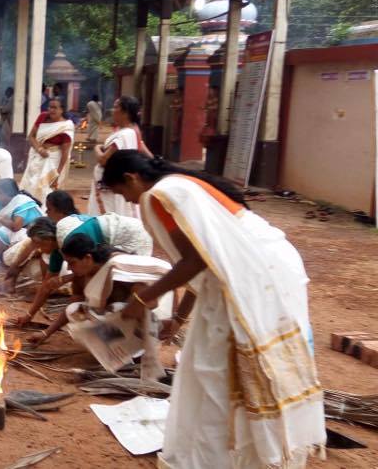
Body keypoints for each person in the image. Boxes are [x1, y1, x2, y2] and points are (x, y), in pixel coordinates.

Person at [101, 150, 323, 468]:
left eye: (124, 193)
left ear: (130, 178)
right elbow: (205, 264)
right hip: (270, 269)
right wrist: (178, 319)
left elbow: (195, 262)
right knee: (226, 367)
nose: (132, 203)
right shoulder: (184, 184)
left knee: (216, 372)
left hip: (250, 275)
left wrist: (141, 300)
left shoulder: (161, 194)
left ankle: (226, 458)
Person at [26, 233, 173, 380]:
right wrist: (46, 333)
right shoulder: (81, 275)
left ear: (88, 258)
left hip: (149, 321)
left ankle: (134, 356)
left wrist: (136, 311)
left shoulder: (115, 268)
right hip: (120, 321)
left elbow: (148, 298)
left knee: (116, 308)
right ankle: (117, 355)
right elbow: (73, 305)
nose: (70, 268)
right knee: (75, 311)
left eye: (72, 263)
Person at [14, 209, 155, 328]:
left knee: (126, 287)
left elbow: (91, 269)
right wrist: (29, 315)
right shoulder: (58, 247)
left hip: (132, 237)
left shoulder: (70, 241)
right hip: (112, 243)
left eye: (38, 243)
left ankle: (135, 331)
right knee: (99, 289)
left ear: (49, 239)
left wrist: (64, 279)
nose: (38, 248)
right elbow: (47, 284)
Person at [87, 96, 150, 218]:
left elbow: (103, 160)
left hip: (110, 181)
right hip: (119, 180)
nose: (112, 110)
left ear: (125, 112)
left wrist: (97, 148)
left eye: (116, 107)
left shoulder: (124, 134)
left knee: (109, 214)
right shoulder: (131, 130)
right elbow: (141, 147)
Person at [20, 96, 75, 202]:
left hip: (53, 160)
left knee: (44, 189)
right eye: (50, 107)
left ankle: (44, 214)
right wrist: (39, 149)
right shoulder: (43, 117)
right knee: (30, 185)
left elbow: (65, 153)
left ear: (61, 110)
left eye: (55, 108)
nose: (51, 110)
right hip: (37, 156)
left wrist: (57, 174)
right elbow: (31, 136)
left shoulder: (66, 127)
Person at [0, 178, 44, 264]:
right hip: (25, 231)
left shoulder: (21, 201)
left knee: (1, 231)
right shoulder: (0, 201)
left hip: (38, 234)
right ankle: (2, 260)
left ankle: (4, 263)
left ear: (8, 194)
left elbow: (16, 227)